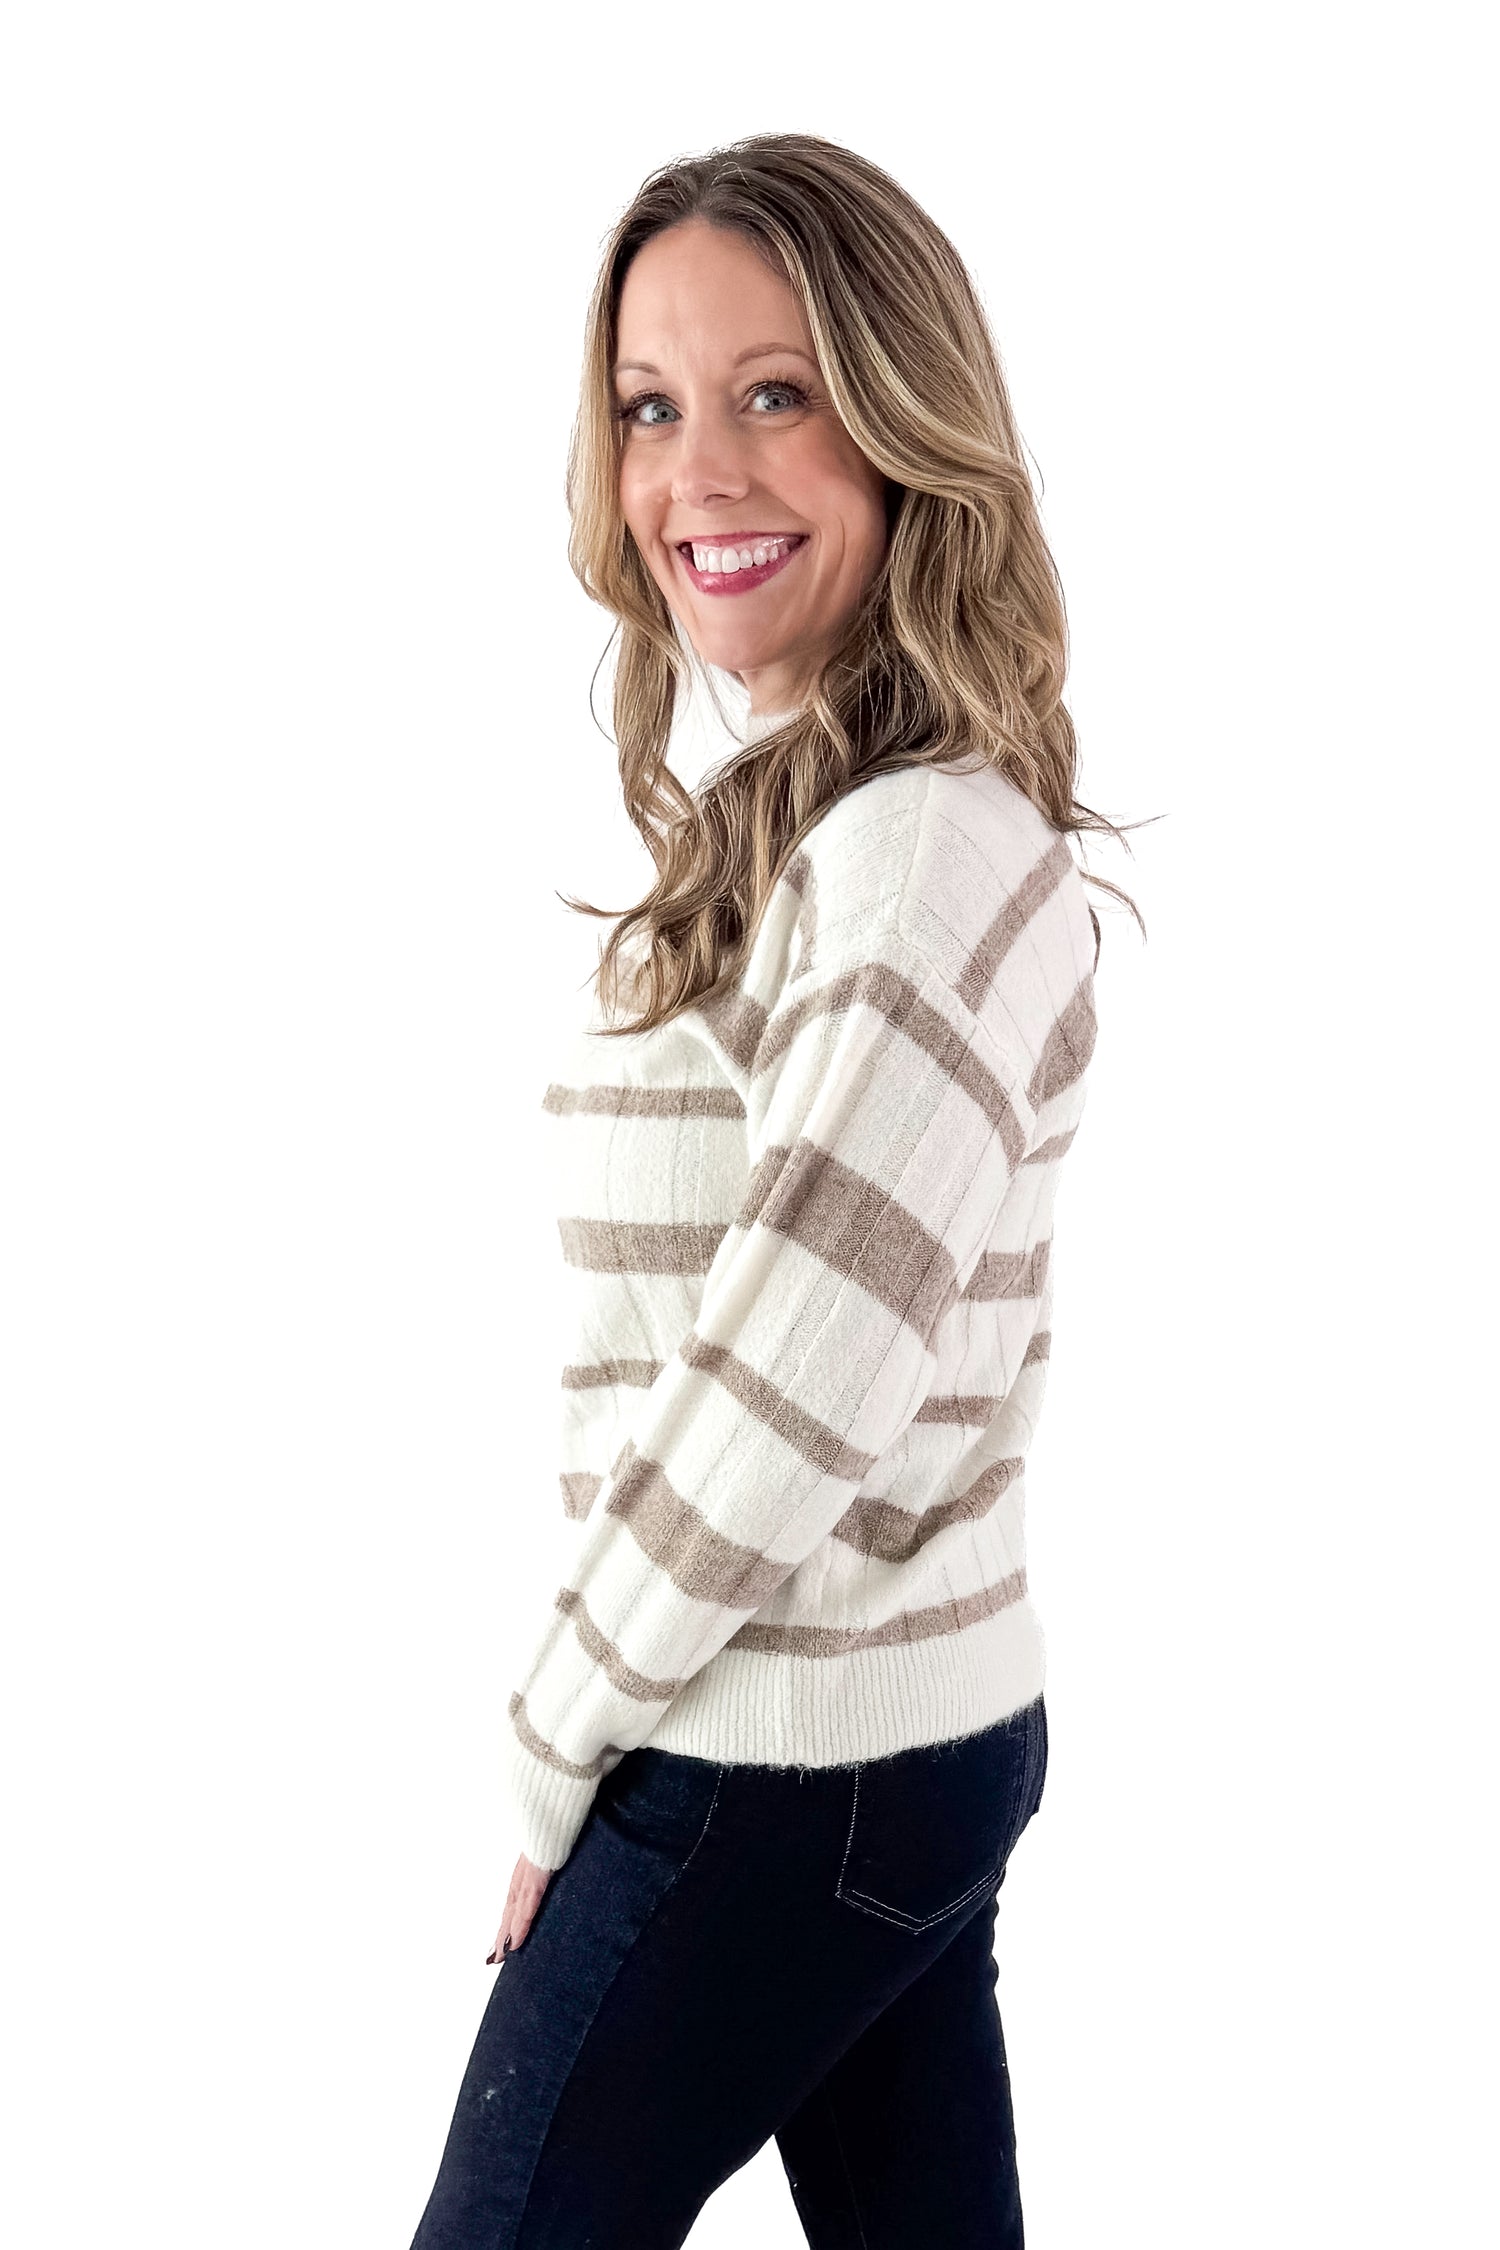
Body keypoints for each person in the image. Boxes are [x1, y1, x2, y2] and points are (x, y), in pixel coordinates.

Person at [409, 129, 1139, 2250]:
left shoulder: (912, 854)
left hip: (773, 1755)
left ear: (909, 423)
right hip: (899, 1740)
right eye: (652, 406)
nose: (695, 473)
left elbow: (781, 1393)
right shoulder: (850, 823)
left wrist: (555, 1747)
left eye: (777, 393)